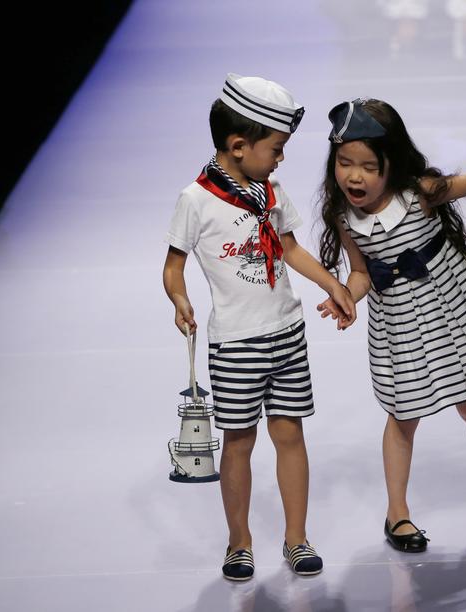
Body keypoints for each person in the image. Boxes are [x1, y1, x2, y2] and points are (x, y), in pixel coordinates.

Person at [316, 98, 466, 552]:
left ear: (392, 163)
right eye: (344, 162)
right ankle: (397, 514)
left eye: (368, 166)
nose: (354, 175)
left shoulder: (420, 192)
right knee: (403, 415)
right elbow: (361, 271)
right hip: (400, 323)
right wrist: (346, 295)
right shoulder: (343, 217)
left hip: (448, 309)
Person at [163, 74, 356, 580]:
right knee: (240, 441)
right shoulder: (196, 199)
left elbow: (290, 249)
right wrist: (180, 300)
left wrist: (331, 284)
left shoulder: (270, 190)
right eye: (277, 148)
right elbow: (173, 265)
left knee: (290, 433)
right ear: (238, 145)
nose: (282, 158)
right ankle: (239, 542)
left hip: (286, 332)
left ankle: (297, 538)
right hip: (235, 342)